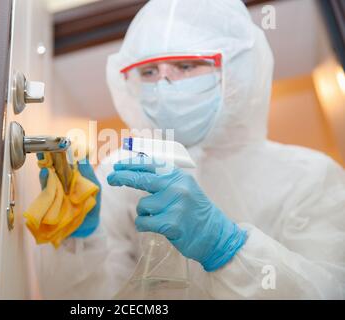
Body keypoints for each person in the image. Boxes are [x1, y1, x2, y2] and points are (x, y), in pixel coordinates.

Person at [36, 0, 345, 299]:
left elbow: (330, 290)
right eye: (148, 73)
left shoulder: (310, 177)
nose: (163, 85)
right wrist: (80, 243)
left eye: (185, 66)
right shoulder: (123, 173)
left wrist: (226, 248)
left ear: (237, 72)